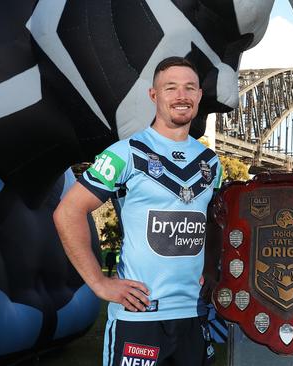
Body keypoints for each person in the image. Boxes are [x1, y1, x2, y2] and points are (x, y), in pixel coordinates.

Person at [54, 56, 222, 366]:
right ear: (154, 95)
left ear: (199, 95)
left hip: (194, 316)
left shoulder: (211, 162)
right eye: (170, 88)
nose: (181, 96)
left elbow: (212, 222)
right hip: (140, 316)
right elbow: (68, 212)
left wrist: (211, 267)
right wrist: (99, 283)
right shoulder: (125, 152)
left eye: (189, 88)